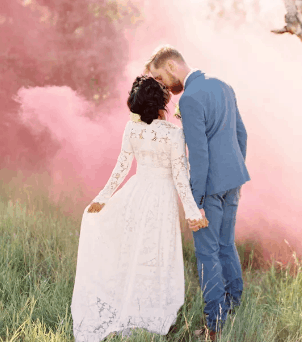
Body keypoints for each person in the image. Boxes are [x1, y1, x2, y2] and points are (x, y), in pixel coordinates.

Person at [71, 75, 208, 342]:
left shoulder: (131, 129)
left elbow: (121, 168)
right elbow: (181, 178)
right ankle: (149, 309)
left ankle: (135, 303)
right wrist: (193, 213)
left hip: (137, 192)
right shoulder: (174, 134)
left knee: (135, 248)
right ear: (162, 102)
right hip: (160, 197)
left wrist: (103, 197)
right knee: (156, 250)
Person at [146, 45, 250, 341]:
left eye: (158, 77)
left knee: (207, 254)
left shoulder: (190, 98)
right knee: (226, 245)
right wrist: (235, 173)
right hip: (233, 180)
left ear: (170, 67)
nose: (160, 85)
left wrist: (195, 200)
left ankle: (214, 327)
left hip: (209, 187)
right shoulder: (223, 85)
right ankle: (234, 309)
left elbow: (199, 155)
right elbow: (241, 134)